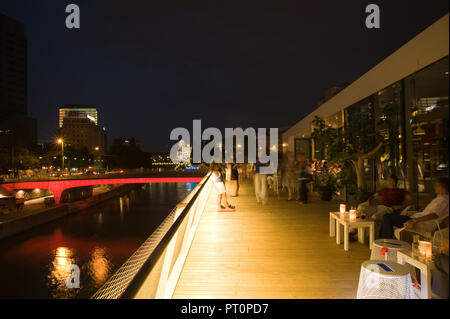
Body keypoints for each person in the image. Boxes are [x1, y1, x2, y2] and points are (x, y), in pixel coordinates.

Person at [380, 177, 449, 239]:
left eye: (437, 185)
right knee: (386, 218)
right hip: (416, 218)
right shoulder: (440, 197)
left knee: (387, 217)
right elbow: (431, 211)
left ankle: (386, 242)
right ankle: (382, 240)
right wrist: (421, 210)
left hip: (419, 223)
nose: (435, 187)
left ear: (443, 187)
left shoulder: (444, 201)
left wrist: (414, 221)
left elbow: (434, 215)